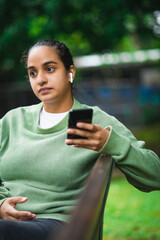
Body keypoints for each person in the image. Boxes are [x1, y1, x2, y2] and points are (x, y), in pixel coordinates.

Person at [0, 39, 159, 240]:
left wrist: (110, 143)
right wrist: (1, 204)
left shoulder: (95, 120)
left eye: (49, 69)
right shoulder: (13, 120)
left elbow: (156, 174)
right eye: (33, 73)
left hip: (59, 226)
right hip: (7, 223)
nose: (40, 79)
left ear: (70, 73)